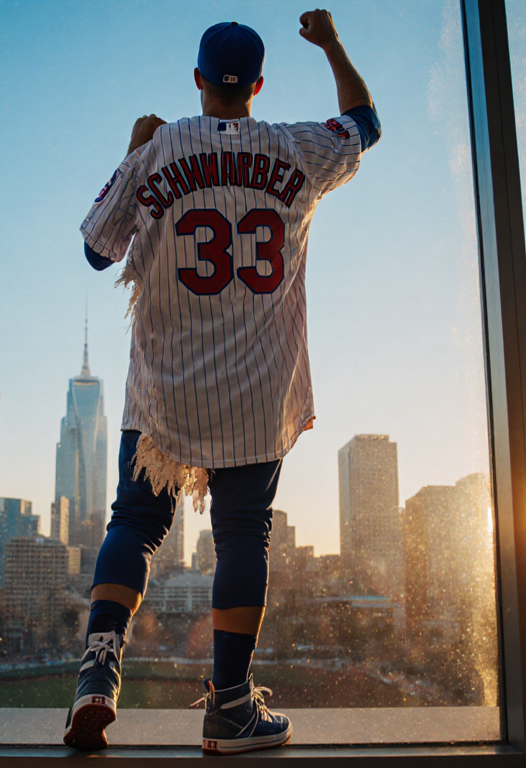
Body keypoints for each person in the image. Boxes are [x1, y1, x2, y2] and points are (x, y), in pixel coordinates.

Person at [66, 10, 380, 754]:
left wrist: (133, 150)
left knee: (136, 527)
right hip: (255, 394)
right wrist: (333, 45)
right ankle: (230, 707)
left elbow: (95, 251)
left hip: (165, 394)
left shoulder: (162, 145)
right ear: (259, 86)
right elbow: (365, 122)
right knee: (243, 537)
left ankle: (97, 672)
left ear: (199, 82)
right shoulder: (296, 147)